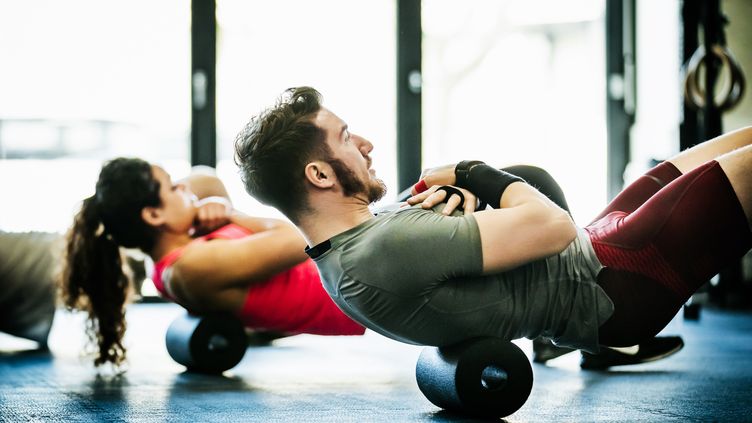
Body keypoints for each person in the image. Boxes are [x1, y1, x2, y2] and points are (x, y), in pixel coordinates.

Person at [233, 86, 751, 358]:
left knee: (729, 149)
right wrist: (471, 172)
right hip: (612, 283)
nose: (366, 144)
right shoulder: (378, 250)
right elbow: (555, 229)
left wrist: (466, 196)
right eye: (347, 138)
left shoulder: (355, 248)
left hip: (596, 264)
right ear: (319, 173)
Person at [59, 158, 365, 367]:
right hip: (362, 286)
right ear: (154, 215)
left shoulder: (184, 244)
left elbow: (206, 179)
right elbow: (304, 238)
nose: (185, 188)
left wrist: (211, 207)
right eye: (172, 187)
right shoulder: (192, 268)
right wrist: (233, 215)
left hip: (352, 264)